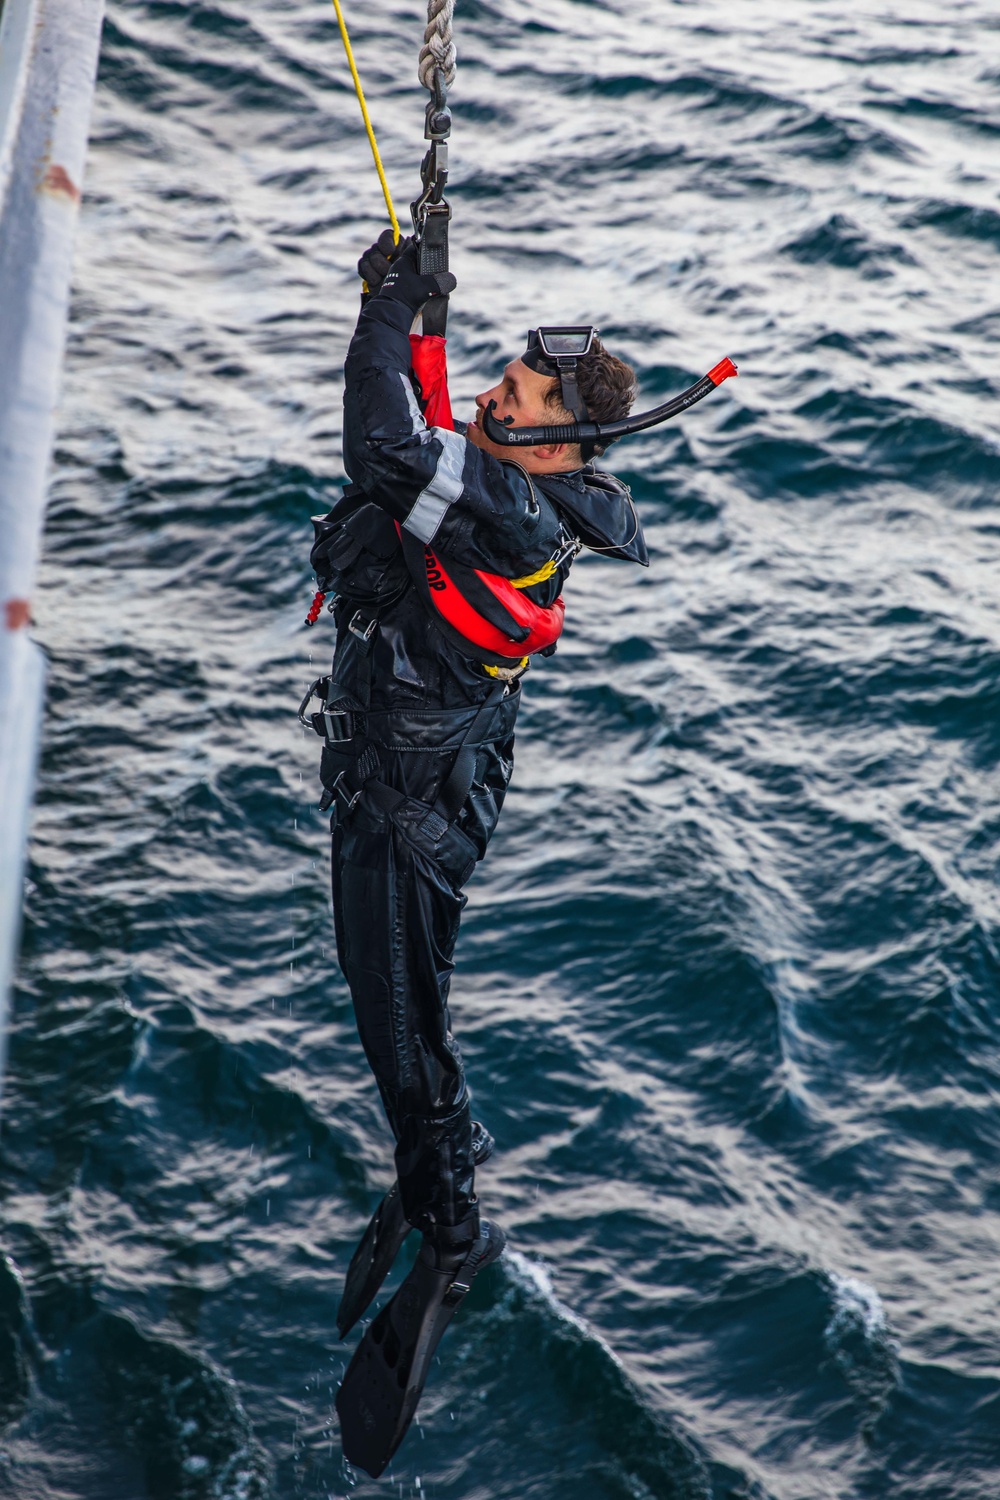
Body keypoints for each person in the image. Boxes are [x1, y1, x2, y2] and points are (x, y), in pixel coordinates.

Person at [303, 231, 648, 1476]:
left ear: (555, 446)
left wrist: (386, 311)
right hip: (438, 773)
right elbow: (430, 416)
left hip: (409, 807)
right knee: (409, 1013)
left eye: (518, 401)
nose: (495, 403)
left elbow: (386, 445)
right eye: (502, 383)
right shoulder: (504, 471)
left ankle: (449, 1229)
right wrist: (411, 308)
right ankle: (424, 1156)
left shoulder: (505, 506)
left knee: (395, 1028)